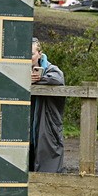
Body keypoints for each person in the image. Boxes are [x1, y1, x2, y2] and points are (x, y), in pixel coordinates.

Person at [29, 38, 66, 173]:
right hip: (26, 125)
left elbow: (58, 79)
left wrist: (38, 79)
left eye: (32, 54)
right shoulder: (17, 68)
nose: (29, 58)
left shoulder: (51, 69)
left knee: (47, 164)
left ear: (39, 53)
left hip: (45, 126)